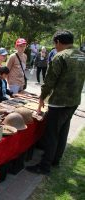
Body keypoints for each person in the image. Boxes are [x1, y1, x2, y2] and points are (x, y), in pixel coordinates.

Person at [26, 30, 85, 175]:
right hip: (74, 100)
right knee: (63, 131)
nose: (55, 47)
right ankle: (56, 160)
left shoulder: (60, 57)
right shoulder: (82, 56)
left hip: (58, 102)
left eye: (55, 44)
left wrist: (41, 99)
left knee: (51, 134)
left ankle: (44, 166)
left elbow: (49, 82)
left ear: (58, 42)